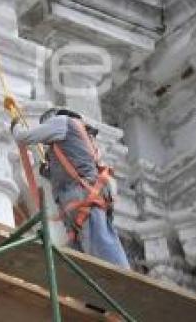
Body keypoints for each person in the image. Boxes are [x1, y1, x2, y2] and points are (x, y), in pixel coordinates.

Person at [11, 107, 130, 268]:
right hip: (84, 199)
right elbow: (71, 167)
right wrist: (49, 170)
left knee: (99, 249)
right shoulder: (77, 137)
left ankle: (119, 280)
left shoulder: (61, 122)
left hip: (83, 197)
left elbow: (23, 137)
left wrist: (15, 126)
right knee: (91, 252)